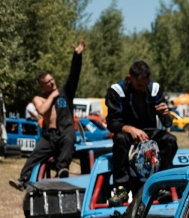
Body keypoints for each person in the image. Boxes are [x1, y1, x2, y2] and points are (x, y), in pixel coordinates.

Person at [9, 41, 86, 190]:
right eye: (48, 82)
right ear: (41, 86)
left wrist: (77, 55)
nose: (52, 83)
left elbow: (74, 74)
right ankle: (23, 180)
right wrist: (52, 96)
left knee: (69, 138)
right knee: (35, 155)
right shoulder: (39, 98)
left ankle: (62, 169)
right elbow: (42, 111)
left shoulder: (66, 92)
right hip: (50, 135)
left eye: (52, 80)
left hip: (66, 128)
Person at [105, 61, 177, 206]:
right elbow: (111, 123)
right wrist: (131, 129)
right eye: (138, 86)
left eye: (145, 85)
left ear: (149, 79)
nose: (142, 89)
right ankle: (121, 188)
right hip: (126, 133)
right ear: (129, 78)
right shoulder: (117, 90)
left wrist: (166, 114)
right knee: (119, 138)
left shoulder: (154, 89)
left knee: (170, 140)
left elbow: (168, 123)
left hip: (149, 132)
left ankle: (162, 184)